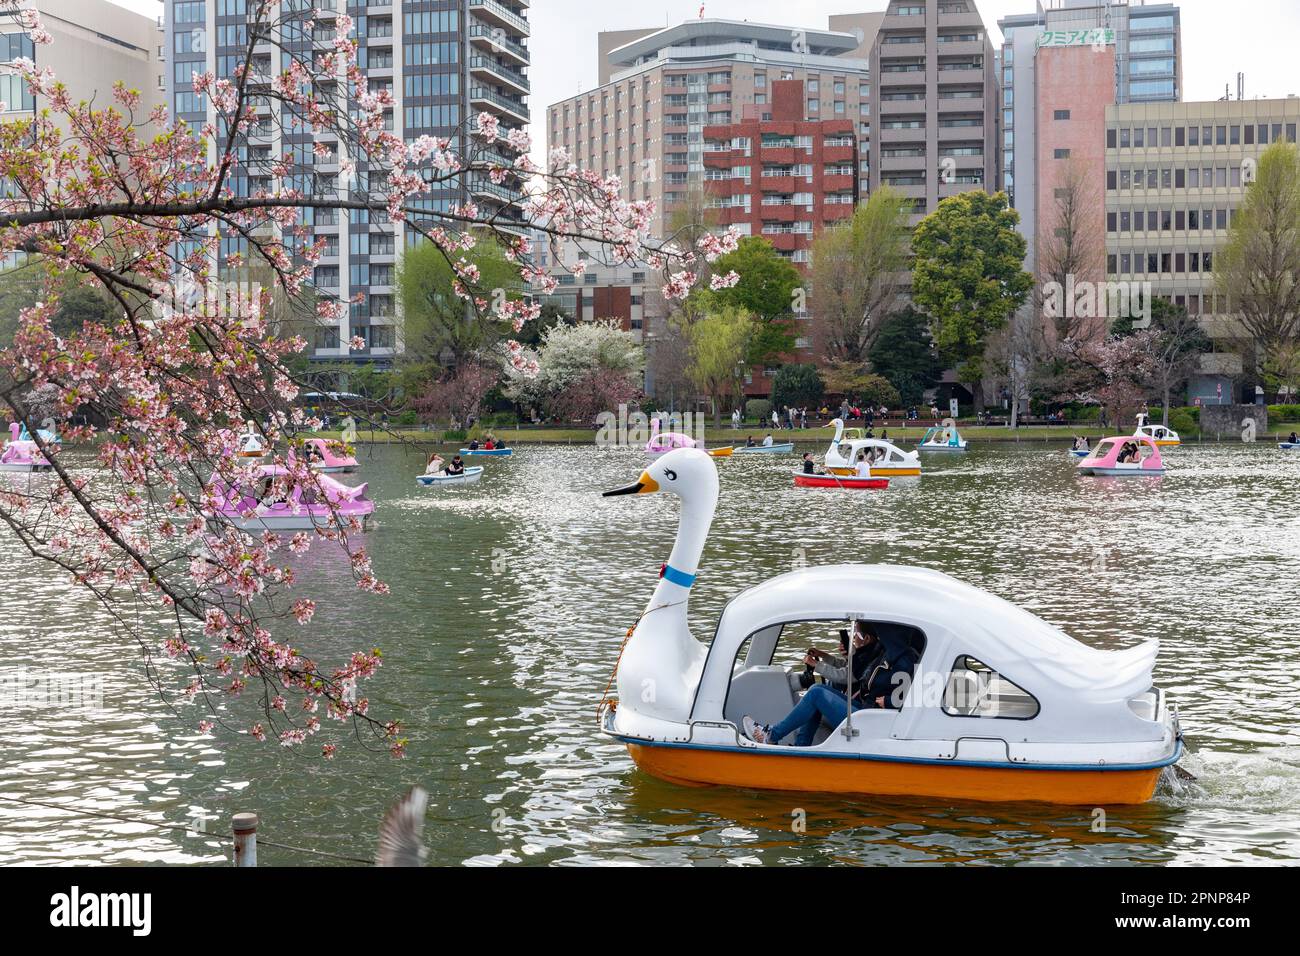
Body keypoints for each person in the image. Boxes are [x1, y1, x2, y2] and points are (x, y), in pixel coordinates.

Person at [744, 623, 916, 746]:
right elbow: (858, 669)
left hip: (872, 721)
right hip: (865, 709)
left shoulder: (906, 660)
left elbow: (917, 696)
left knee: (817, 694)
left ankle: (771, 735)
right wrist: (852, 652)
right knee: (816, 690)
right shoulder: (886, 653)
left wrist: (888, 701)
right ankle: (800, 747)